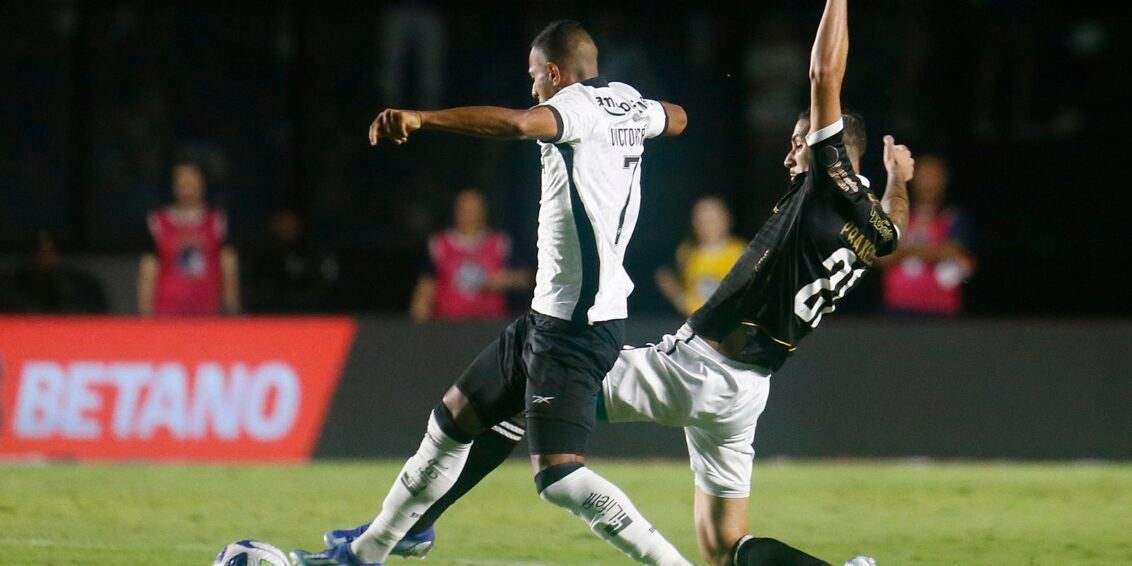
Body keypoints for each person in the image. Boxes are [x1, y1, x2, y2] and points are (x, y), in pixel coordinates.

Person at [322, 3, 911, 566]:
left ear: (829, 146)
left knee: (535, 408)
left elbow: (823, 70)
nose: (790, 153)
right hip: (746, 394)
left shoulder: (824, 178)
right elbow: (894, 226)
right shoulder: (873, 225)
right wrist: (896, 180)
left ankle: (413, 524)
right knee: (728, 548)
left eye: (798, 140)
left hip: (693, 369)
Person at [291, 20, 689, 566]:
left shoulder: (572, 107)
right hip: (545, 319)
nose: (532, 89)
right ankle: (370, 551)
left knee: (559, 477)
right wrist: (646, 117)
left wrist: (422, 118)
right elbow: (679, 118)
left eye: (534, 78)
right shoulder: (626, 102)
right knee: (454, 420)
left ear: (553, 72)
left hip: (577, 328)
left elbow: (518, 124)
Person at [409, 189, 531, 322]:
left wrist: (504, 279)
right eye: (465, 210)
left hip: (491, 325)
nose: (470, 215)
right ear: (456, 212)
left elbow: (526, 278)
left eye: (475, 210)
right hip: (449, 325)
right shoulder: (439, 245)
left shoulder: (501, 243)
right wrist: (420, 316)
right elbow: (426, 284)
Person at [137, 160, 239, 316]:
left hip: (208, 311)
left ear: (202, 183)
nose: (186, 185)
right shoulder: (157, 222)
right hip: (167, 312)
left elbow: (228, 266)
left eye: (191, 179)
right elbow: (148, 269)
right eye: (181, 180)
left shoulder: (218, 221)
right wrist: (145, 315)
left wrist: (232, 309)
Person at [878, 154, 975, 315]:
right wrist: (929, 251)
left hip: (941, 310)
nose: (929, 184)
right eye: (924, 176)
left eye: (934, 177)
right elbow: (882, 257)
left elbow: (953, 251)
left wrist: (906, 250)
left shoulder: (952, 218)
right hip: (898, 309)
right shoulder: (896, 215)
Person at [655, 196, 746, 315]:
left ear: (727, 220)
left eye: (713, 220)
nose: (708, 226)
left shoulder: (741, 252)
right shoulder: (685, 253)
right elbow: (679, 289)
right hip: (693, 324)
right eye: (702, 221)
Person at [0, 230, 108, 314]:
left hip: (72, 337)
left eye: (51, 252)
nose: (46, 257)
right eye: (40, 252)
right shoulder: (10, 287)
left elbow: (98, 315)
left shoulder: (84, 285)